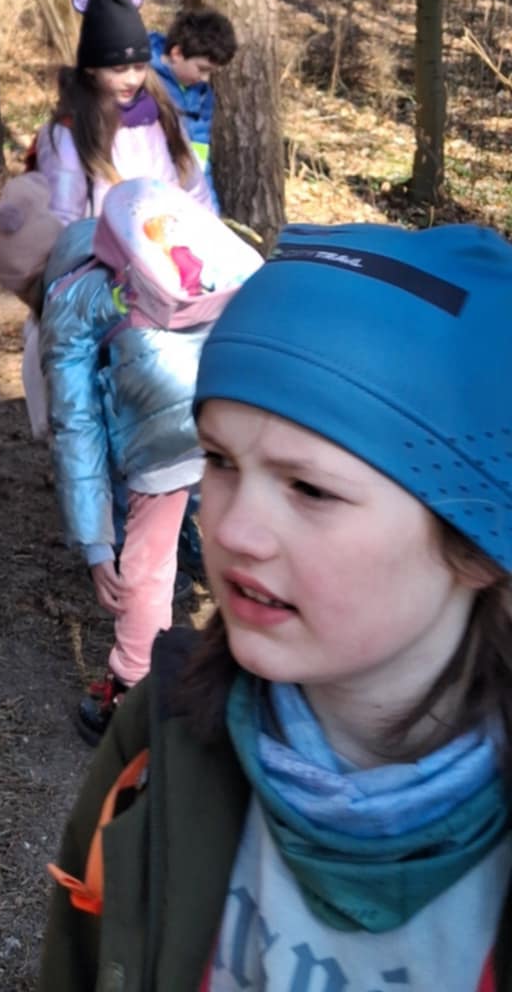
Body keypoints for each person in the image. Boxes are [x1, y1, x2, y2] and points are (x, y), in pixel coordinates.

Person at [42, 220, 512, 992]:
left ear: (479, 546)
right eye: (220, 460)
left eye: (310, 489)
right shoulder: (161, 735)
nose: (230, 529)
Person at [37, 178, 261, 741]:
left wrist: (96, 543)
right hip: (242, 381)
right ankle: (266, 662)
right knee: (250, 528)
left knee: (149, 557)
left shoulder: (70, 301)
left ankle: (132, 690)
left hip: (166, 416)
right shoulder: (173, 251)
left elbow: (76, 424)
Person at [34, 0, 213, 226]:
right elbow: (62, 220)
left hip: (170, 245)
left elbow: (196, 192)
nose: (132, 80)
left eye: (139, 67)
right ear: (91, 68)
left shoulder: (163, 115)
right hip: (101, 247)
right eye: (118, 69)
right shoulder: (70, 131)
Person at [150, 6, 238, 208]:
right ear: (177, 53)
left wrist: (210, 210)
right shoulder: (143, 80)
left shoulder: (202, 97)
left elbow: (199, 159)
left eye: (210, 73)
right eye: (201, 69)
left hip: (182, 198)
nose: (205, 79)